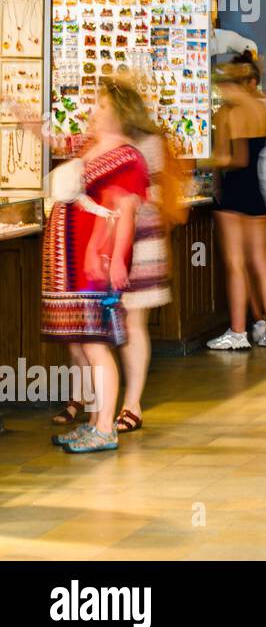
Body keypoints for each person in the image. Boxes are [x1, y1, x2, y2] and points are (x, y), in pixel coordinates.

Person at [44, 81, 149, 453]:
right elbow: (50, 140)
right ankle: (94, 420)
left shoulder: (128, 157)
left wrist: (113, 258)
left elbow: (124, 211)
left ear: (118, 112)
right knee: (84, 344)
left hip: (94, 268)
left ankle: (105, 427)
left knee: (95, 343)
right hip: (74, 265)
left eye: (102, 103)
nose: (94, 108)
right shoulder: (91, 149)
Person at [205, 57, 266, 350]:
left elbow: (236, 158)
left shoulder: (229, 113)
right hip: (262, 190)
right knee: (262, 262)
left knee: (235, 264)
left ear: (230, 85)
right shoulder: (265, 108)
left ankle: (238, 332)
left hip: (235, 192)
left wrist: (202, 160)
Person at [116, 84, 174, 434]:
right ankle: (119, 400)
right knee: (125, 323)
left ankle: (131, 402)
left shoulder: (143, 146)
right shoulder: (143, 142)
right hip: (126, 240)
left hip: (139, 241)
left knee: (132, 322)